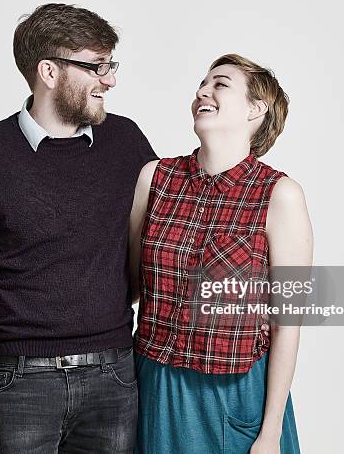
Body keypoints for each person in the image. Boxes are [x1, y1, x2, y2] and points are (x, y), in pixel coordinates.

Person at [0, 3, 157, 454]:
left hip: (114, 378)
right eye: (96, 67)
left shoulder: (127, 141)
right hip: (18, 383)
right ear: (49, 72)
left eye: (110, 65)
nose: (110, 79)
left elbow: (165, 232)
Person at [129, 53, 313, 453]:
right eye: (202, 84)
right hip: (155, 384)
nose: (202, 92)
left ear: (255, 108)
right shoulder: (155, 178)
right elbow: (129, 286)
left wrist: (270, 434)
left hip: (235, 392)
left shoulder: (281, 195)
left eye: (220, 84)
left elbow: (288, 325)